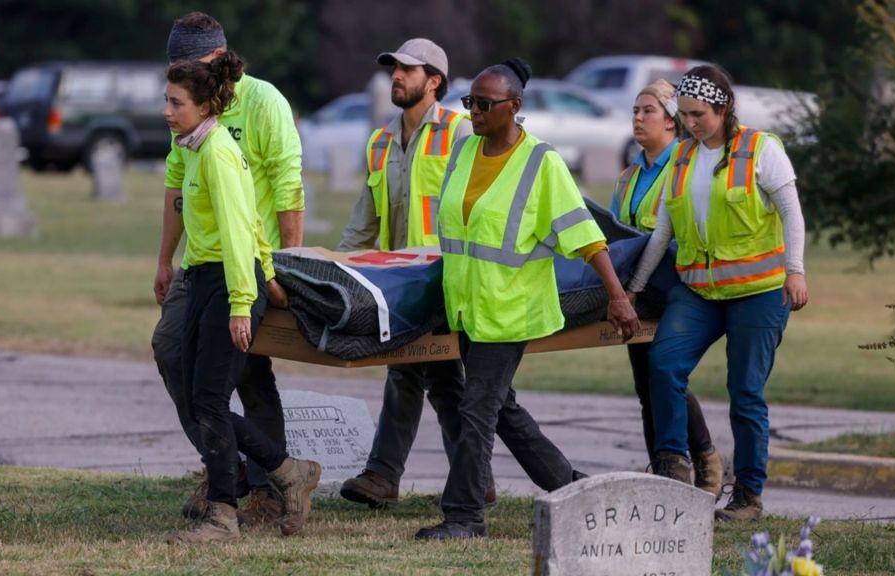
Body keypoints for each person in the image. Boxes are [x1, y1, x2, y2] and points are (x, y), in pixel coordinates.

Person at [415, 58, 641, 541]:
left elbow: (584, 235)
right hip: (468, 307)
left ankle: (465, 517)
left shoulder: (542, 162)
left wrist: (617, 297)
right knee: (502, 409)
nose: (473, 111)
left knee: (477, 410)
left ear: (515, 107)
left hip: (511, 311)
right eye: (469, 102)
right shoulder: (463, 152)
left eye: (484, 104)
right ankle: (569, 487)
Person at [626, 65, 809, 521]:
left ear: (723, 108)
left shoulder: (760, 150)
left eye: (698, 114)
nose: (690, 124)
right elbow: (663, 231)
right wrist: (632, 288)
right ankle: (673, 469)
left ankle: (747, 496)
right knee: (663, 363)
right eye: (684, 115)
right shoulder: (683, 158)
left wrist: (796, 271)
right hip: (700, 291)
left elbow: (792, 213)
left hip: (758, 292)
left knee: (745, 392)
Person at [151, 11, 305, 527]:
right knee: (174, 355)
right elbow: (177, 189)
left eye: (188, 70)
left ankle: (268, 486)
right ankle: (227, 467)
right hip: (202, 265)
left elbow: (287, 188)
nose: (172, 97)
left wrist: (285, 269)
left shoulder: (261, 105)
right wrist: (164, 259)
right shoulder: (189, 124)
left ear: (216, 60)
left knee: (246, 378)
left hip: (246, 270)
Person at [337, 38, 497, 508]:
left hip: (446, 278)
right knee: (437, 379)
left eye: (408, 69)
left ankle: (386, 475)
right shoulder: (381, 140)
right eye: (394, 69)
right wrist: (336, 266)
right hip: (401, 283)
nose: (397, 76)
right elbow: (364, 220)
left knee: (415, 373)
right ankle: (471, 479)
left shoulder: (462, 132)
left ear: (435, 82)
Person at [612, 80, 723, 497]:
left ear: (673, 123)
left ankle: (702, 460)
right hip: (636, 289)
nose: (638, 118)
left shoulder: (689, 166)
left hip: (676, 284)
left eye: (648, 111)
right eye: (635, 111)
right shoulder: (628, 175)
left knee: (664, 375)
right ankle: (666, 465)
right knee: (647, 382)